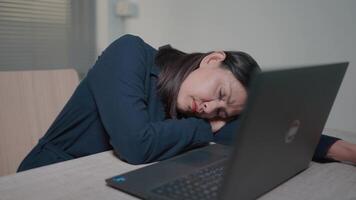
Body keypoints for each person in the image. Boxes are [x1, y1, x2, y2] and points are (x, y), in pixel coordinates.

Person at [17, 34, 356, 172]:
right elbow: (136, 145)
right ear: (212, 59)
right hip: (48, 177)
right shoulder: (129, 53)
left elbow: (256, 132)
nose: (211, 108)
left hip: (102, 180)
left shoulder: (182, 108)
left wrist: (337, 149)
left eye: (222, 112)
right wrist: (206, 126)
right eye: (220, 94)